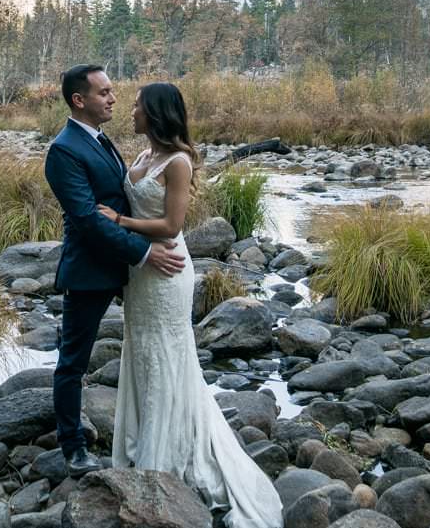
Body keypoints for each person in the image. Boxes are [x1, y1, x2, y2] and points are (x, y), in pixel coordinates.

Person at [96, 82, 283, 528]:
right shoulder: (141, 157)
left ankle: (166, 455)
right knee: (139, 349)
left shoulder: (178, 162)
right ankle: (141, 438)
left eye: (139, 105)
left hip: (167, 269)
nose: (132, 109)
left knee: (165, 353)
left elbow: (171, 222)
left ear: (156, 113)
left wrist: (118, 220)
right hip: (141, 270)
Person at [44, 65, 186, 478]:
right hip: (91, 269)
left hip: (130, 267)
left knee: (154, 347)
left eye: (112, 91)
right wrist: (144, 253)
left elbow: (121, 202)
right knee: (73, 362)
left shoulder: (102, 140)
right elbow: (88, 219)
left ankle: (165, 427)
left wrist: (139, 252)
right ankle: (73, 448)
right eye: (104, 92)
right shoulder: (64, 150)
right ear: (79, 100)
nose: (113, 99)